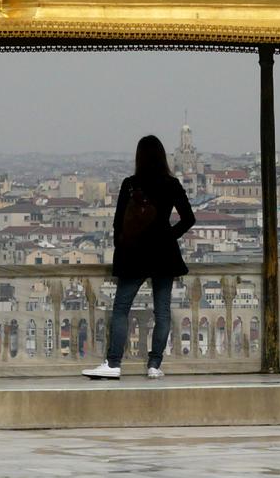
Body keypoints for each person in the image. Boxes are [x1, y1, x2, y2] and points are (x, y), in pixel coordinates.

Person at [82, 135, 195, 380]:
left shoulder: (130, 184)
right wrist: (168, 236)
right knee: (162, 311)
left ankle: (113, 364)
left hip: (135, 254)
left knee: (121, 308)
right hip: (164, 254)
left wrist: (122, 248)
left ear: (139, 157)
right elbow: (189, 219)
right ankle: (154, 365)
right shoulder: (171, 184)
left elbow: (118, 223)